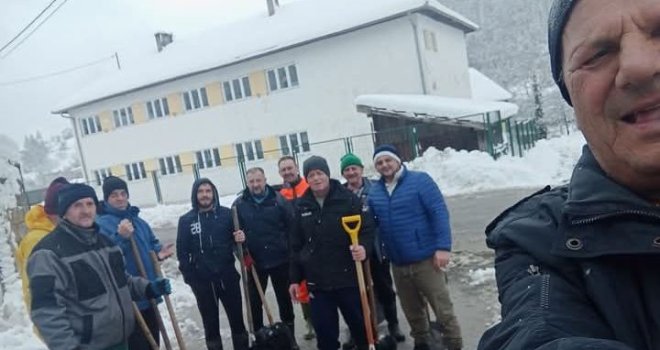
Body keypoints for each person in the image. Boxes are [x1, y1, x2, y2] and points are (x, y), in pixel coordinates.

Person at [479, 1, 660, 349]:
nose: (638, 66)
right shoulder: (539, 241)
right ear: (572, 101)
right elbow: (537, 331)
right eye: (597, 54)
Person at [27, 183, 171, 350]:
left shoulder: (106, 243)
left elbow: (123, 282)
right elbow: (47, 311)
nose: (85, 210)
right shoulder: (48, 254)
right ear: (64, 211)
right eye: (77, 205)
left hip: (122, 342)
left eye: (90, 204)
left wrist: (148, 288)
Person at [368, 145, 462, 350]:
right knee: (413, 311)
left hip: (426, 260)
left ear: (398, 160)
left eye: (388, 160)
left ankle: (454, 344)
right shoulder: (375, 192)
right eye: (379, 163)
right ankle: (422, 343)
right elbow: (370, 224)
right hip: (398, 263)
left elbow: (438, 213)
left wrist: (443, 247)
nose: (384, 165)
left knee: (443, 309)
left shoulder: (420, 181)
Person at [289, 155, 375, 350]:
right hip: (317, 283)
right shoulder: (301, 206)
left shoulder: (347, 199)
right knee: (326, 337)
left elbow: (367, 229)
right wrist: (294, 279)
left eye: (320, 173)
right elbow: (295, 245)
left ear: (327, 174)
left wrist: (363, 248)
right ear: (306, 179)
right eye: (311, 175)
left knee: (362, 329)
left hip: (348, 279)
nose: (316, 178)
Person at [96, 176, 175, 350]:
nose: (120, 198)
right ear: (106, 198)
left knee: (153, 341)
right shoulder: (101, 225)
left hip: (148, 293)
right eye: (114, 195)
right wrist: (121, 237)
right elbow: (104, 258)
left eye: (123, 193)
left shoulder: (139, 222)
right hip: (127, 301)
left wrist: (158, 254)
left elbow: (152, 243)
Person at [340, 153, 405, 343]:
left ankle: (393, 323)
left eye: (354, 168)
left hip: (376, 247)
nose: (351, 172)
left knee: (384, 286)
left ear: (361, 169)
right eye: (347, 170)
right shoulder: (341, 194)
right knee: (356, 291)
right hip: (351, 251)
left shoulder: (376, 189)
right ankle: (359, 328)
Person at [177, 178, 248, 350]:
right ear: (195, 195)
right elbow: (182, 252)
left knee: (238, 322)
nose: (205, 195)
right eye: (201, 192)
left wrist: (241, 238)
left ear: (213, 193)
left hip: (228, 278)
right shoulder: (186, 220)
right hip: (203, 283)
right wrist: (190, 279)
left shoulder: (227, 214)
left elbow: (240, 244)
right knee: (211, 327)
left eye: (208, 191)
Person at [232, 167, 297, 342]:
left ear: (265, 180)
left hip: (280, 260)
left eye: (258, 180)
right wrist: (243, 255)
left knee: (285, 301)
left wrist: (291, 255)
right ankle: (260, 339)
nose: (255, 185)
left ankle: (289, 338)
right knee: (254, 303)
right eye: (251, 181)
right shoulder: (239, 205)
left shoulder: (279, 200)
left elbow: (291, 229)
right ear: (247, 183)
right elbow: (234, 236)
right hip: (254, 263)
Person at [17, 176, 68, 314]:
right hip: (60, 325)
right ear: (53, 212)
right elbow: (36, 291)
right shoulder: (36, 240)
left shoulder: (63, 232)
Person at [277, 155, 315, 340]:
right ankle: (309, 322)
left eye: (289, 168)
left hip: (313, 244)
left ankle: (322, 319)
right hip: (293, 247)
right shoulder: (279, 195)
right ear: (279, 173)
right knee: (301, 287)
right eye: (283, 169)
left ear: (296, 168)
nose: (287, 172)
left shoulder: (308, 187)